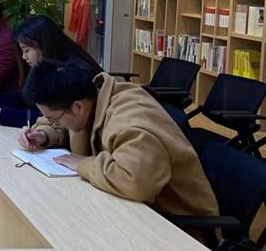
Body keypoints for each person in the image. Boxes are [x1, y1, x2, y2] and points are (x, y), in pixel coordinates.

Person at [20, 61, 218, 217]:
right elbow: (65, 124)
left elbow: (136, 182)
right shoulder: (90, 99)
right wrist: (45, 134)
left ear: (78, 107)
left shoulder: (130, 119)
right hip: (139, 211)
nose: (54, 122)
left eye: (55, 119)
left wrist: (84, 164)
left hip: (178, 226)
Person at [0, 15, 102, 127]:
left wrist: (1, 114)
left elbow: (52, 116)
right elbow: (28, 97)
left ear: (44, 44)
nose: (24, 57)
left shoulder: (70, 72)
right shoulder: (51, 66)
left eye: (26, 50)